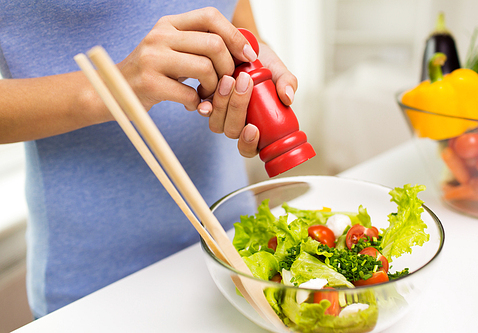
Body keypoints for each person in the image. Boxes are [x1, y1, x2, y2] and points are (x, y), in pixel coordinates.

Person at [0, 0, 298, 318]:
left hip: (233, 249)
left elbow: (234, 15)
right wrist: (111, 88)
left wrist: (250, 53)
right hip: (101, 284)